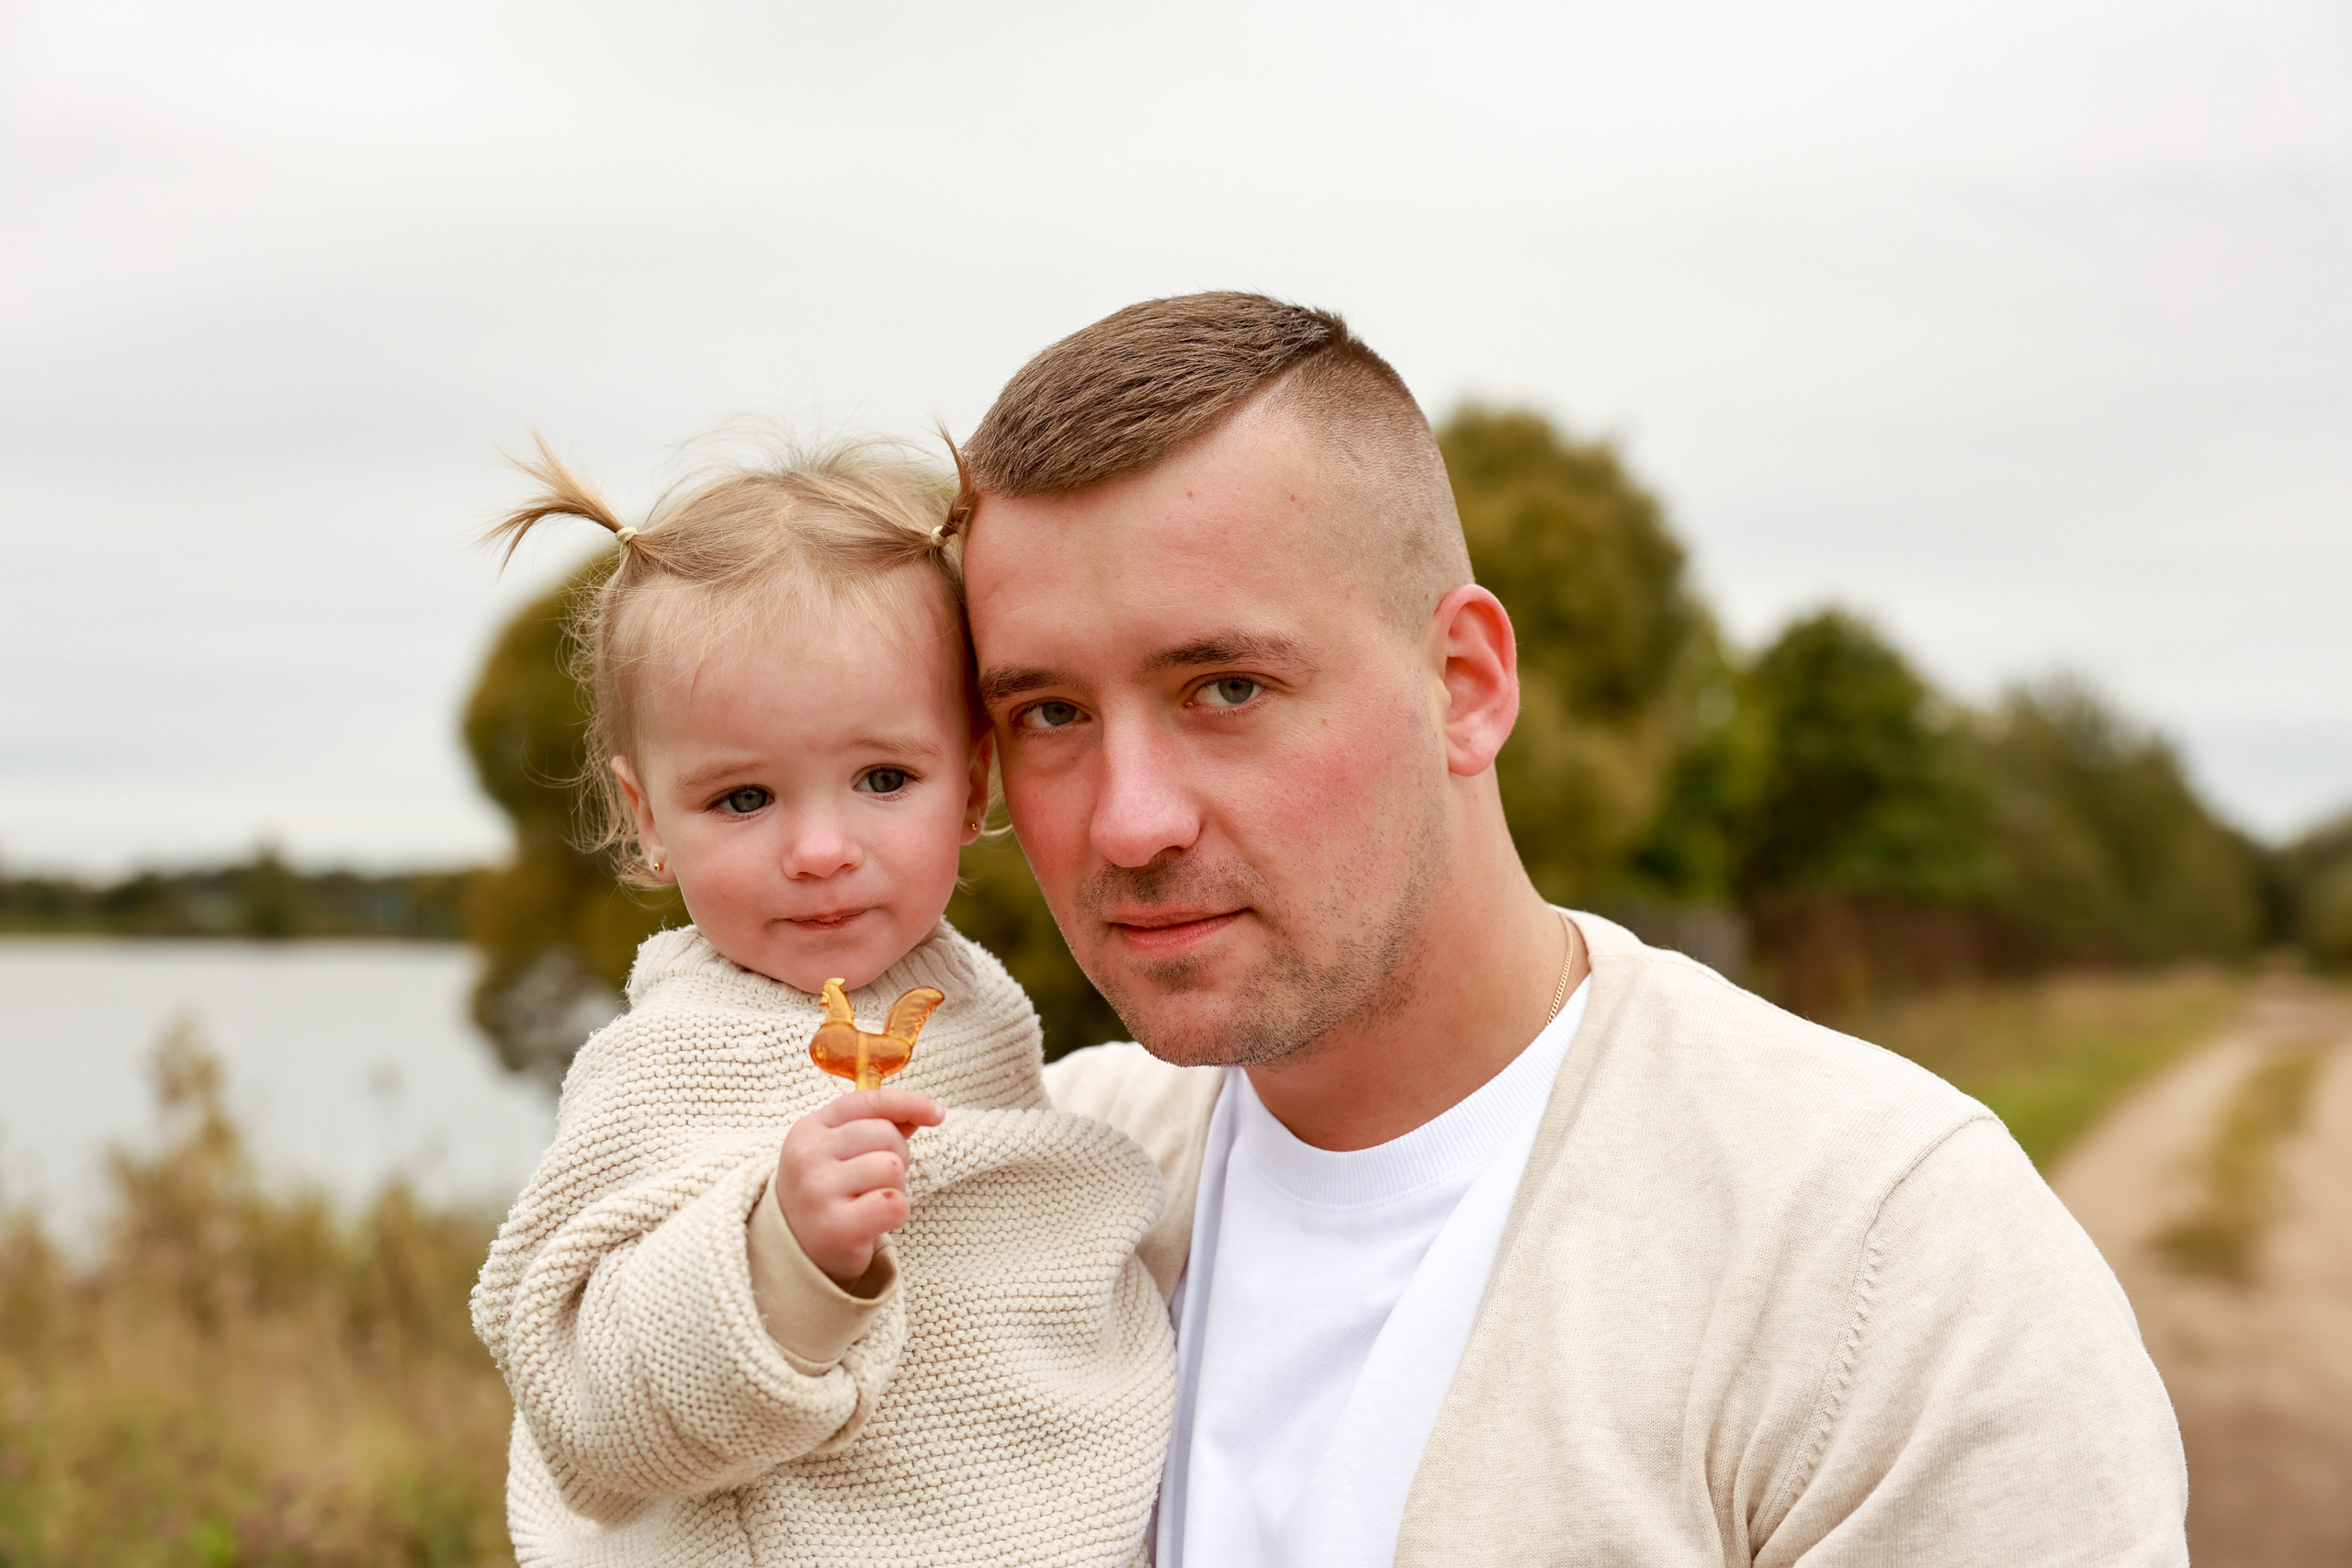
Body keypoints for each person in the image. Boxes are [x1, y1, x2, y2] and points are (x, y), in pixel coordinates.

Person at [955, 293, 2189, 1567]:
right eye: (1049, 713)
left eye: (1226, 687)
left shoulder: (1883, 1258)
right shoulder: (1015, 1184)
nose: (1129, 822)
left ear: (1465, 684)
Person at [468, 439, 1175, 1567]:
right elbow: (585, 1405)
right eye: (743, 798)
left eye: (883, 780)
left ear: (971, 785)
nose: (819, 849)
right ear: (649, 820)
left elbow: (1011, 1280)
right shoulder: (664, 1062)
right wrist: (777, 1259)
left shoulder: (976, 1011)